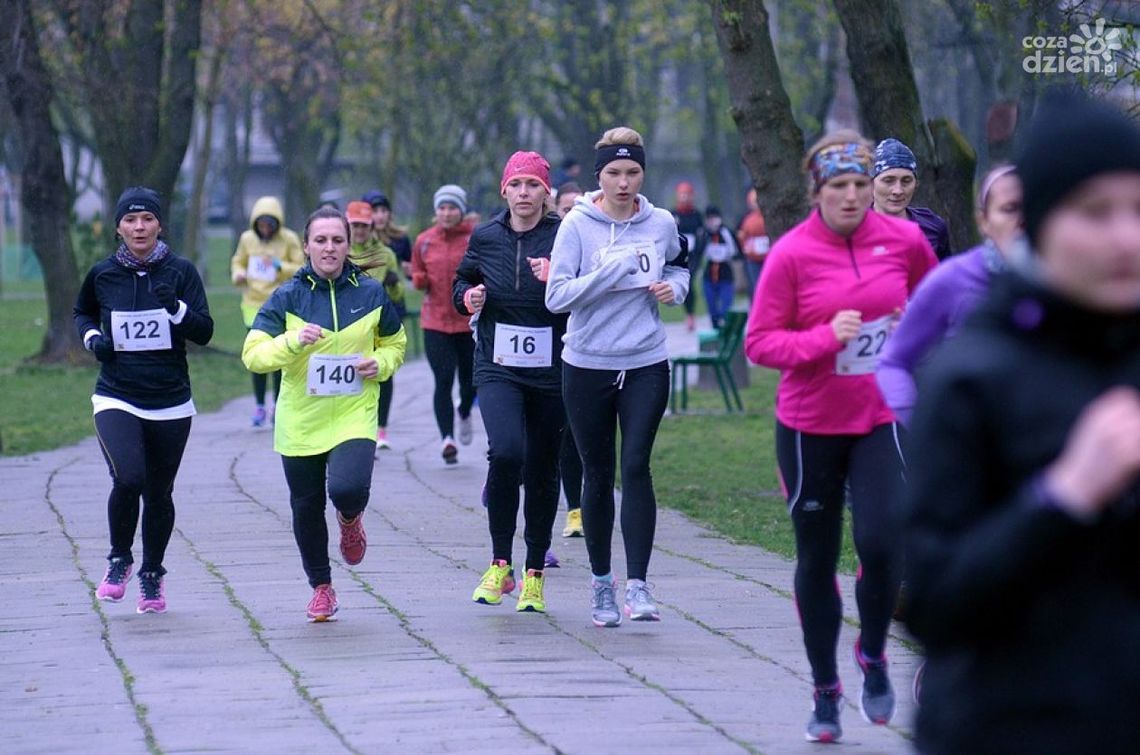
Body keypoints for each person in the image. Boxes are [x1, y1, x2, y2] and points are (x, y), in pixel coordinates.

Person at [903, 92, 1140, 754]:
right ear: (1038, 224)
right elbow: (932, 601)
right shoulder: (973, 375)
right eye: (1096, 213)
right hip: (1009, 726)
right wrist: (1063, 496)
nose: (1126, 236)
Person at [744, 131, 937, 742]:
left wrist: (914, 322)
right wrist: (824, 338)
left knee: (884, 544)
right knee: (817, 558)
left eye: (860, 185)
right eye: (840, 187)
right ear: (818, 192)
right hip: (809, 427)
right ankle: (825, 690)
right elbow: (760, 342)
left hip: (880, 418)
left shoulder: (904, 240)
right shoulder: (794, 254)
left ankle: (874, 653)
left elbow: (938, 307)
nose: (853, 197)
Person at [546, 126, 690, 628]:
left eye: (632, 173)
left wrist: (675, 288)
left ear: (643, 174)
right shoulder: (577, 226)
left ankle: (640, 586)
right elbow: (557, 297)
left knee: (636, 466)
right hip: (587, 363)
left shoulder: (661, 222)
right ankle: (602, 585)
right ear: (598, 176)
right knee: (597, 472)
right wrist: (610, 271)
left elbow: (679, 265)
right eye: (613, 173)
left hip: (646, 359)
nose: (623, 183)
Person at [242, 206, 406, 621]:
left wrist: (380, 365)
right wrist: (293, 341)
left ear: (348, 245)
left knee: (348, 489)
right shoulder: (287, 296)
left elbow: (395, 344)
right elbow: (254, 356)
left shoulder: (369, 293)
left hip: (354, 412)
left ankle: (350, 518)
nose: (329, 248)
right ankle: (322, 587)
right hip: (301, 418)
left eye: (337, 240)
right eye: (320, 240)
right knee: (306, 506)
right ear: (306, 245)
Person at [74, 186, 214, 614]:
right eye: (130, 220)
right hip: (117, 394)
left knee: (159, 491)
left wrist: (175, 310)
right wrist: (93, 337)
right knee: (129, 477)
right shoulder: (103, 274)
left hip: (170, 399)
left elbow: (205, 331)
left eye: (147, 219)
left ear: (159, 225)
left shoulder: (181, 271)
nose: (139, 227)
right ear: (118, 227)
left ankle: (152, 575)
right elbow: (82, 311)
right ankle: (119, 560)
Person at [453, 151, 567, 612]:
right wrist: (469, 296)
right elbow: (460, 282)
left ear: (546, 192)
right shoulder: (485, 237)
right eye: (516, 185)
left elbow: (585, 287)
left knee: (542, 466)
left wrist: (557, 275)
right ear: (504, 190)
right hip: (497, 363)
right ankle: (501, 563)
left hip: (553, 368)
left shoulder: (565, 236)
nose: (524, 193)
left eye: (533, 185)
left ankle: (535, 571)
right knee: (506, 452)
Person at [876, 165, 1022, 426]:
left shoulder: (1077, 278)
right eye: (1009, 209)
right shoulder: (953, 279)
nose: (1023, 219)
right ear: (984, 221)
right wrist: (914, 422)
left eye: (1034, 208)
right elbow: (895, 361)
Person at [412, 184, 477, 464]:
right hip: (435, 321)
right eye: (442, 207)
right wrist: (418, 278)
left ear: (461, 211)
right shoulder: (424, 240)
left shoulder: (474, 238)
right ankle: (446, 439)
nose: (446, 213)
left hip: (468, 321)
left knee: (470, 381)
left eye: (452, 208)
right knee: (443, 380)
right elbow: (417, 269)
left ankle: (464, 410)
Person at [230, 196, 304, 426]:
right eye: (261, 224)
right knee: (257, 355)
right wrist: (238, 275)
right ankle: (260, 405)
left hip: (280, 304)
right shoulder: (247, 239)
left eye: (269, 224)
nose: (265, 229)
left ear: (277, 223)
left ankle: (278, 404)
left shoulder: (289, 239)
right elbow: (237, 261)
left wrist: (280, 266)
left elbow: (301, 267)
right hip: (252, 304)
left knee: (279, 356)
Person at [346, 200, 406, 452]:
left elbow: (399, 295)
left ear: (372, 226)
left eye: (364, 225)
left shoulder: (385, 254)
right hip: (349, 323)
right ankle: (354, 428)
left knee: (382, 374)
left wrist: (393, 283)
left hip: (378, 322)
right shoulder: (341, 251)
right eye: (355, 225)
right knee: (353, 374)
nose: (359, 230)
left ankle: (381, 427)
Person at [553, 181, 585, 540]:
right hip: (548, 353)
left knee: (578, 437)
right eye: (566, 210)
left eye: (579, 209)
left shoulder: (596, 244)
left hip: (585, 350)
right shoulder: (546, 244)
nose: (573, 217)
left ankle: (581, 508)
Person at [871, 138, 952, 260]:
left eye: (906, 181)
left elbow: (943, 276)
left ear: (916, 184)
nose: (898, 190)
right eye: (888, 181)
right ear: (870, 183)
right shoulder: (854, 227)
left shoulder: (932, 226)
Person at [693, 205, 742, 330]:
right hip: (709, 275)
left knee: (726, 308)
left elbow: (736, 252)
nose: (712, 221)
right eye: (709, 219)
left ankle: (726, 329)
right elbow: (698, 252)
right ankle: (715, 329)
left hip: (725, 274)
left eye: (714, 218)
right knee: (712, 307)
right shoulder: (703, 233)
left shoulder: (727, 232)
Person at [672, 181, 704, 331]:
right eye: (682, 194)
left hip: (693, 255)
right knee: (685, 283)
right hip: (678, 254)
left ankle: (690, 314)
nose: (684, 197)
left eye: (687, 194)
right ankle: (688, 313)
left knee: (690, 281)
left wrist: (699, 250)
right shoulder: (673, 215)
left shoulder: (697, 215)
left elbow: (702, 235)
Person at [362, 189, 413, 278]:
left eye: (384, 210)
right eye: (375, 211)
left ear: (389, 213)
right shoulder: (359, 240)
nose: (380, 216)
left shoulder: (400, 240)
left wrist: (410, 272)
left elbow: (412, 275)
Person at [736, 188, 769, 298]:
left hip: (769, 257)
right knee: (756, 286)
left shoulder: (770, 217)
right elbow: (742, 237)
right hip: (752, 259)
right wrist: (744, 248)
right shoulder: (746, 219)